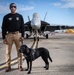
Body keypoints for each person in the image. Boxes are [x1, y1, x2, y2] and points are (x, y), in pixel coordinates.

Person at [2, 3, 24, 72]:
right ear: (10, 8)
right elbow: (3, 28)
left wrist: (22, 36)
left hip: (17, 34)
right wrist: (4, 37)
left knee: (19, 51)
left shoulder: (20, 16)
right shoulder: (6, 17)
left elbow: (22, 27)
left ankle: (20, 66)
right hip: (9, 35)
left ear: (16, 8)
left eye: (14, 7)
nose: (13, 8)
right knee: (8, 52)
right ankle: (8, 66)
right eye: (11, 7)